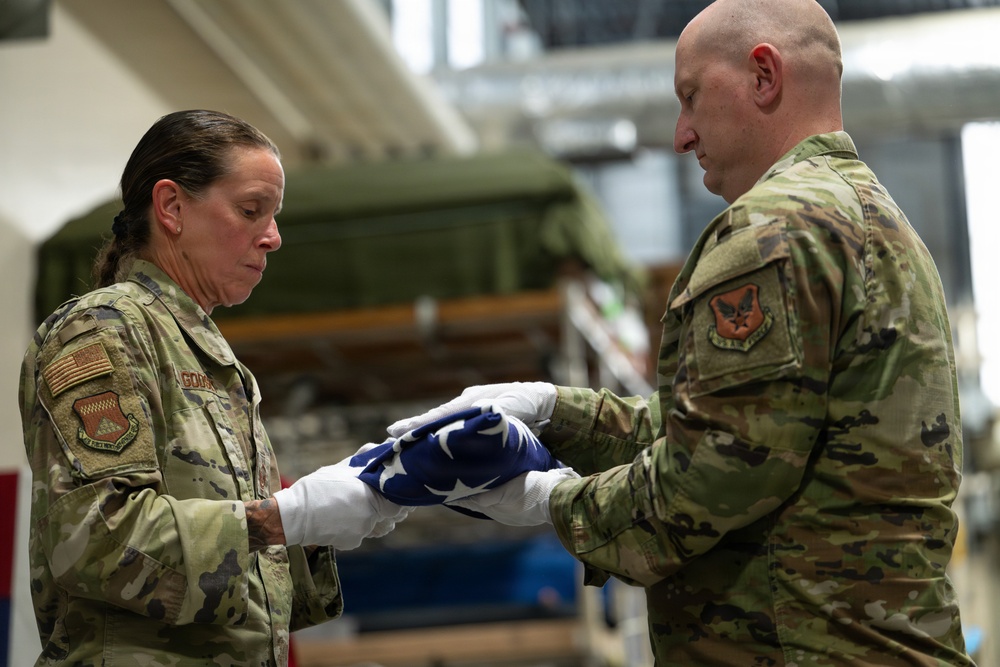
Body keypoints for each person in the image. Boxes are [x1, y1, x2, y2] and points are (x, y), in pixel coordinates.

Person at [387, 0, 976, 664]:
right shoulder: (879, 225)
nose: (680, 134)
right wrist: (556, 411)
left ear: (763, 76)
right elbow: (734, 424)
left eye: (691, 97)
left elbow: (707, 481)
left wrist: (552, 500)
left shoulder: (769, 232)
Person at [19, 109, 405, 666]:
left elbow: (253, 591)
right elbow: (95, 541)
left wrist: (346, 504)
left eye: (273, 216)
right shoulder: (104, 329)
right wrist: (283, 517)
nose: (272, 237)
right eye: (251, 211)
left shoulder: (206, 355)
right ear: (172, 207)